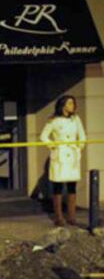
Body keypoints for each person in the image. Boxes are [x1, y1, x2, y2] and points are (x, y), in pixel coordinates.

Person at [40, 95, 87, 226]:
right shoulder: (53, 120)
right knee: (58, 186)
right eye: (70, 103)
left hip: (72, 155)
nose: (73, 106)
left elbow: (82, 135)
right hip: (60, 154)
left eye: (74, 103)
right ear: (63, 105)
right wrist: (53, 145)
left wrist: (79, 147)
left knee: (72, 186)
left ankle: (71, 216)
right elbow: (44, 136)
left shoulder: (76, 119)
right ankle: (58, 217)